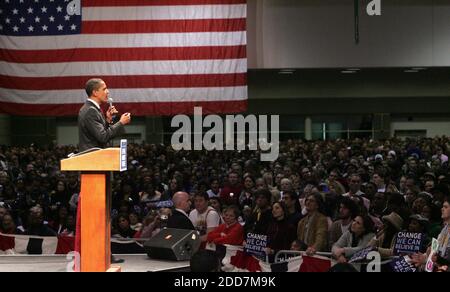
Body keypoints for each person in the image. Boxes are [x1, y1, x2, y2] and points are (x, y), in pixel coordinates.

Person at [78, 78, 131, 152]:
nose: (108, 92)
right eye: (104, 89)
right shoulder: (90, 110)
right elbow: (103, 137)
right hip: (93, 158)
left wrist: (108, 120)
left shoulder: (93, 108)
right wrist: (121, 122)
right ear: (95, 92)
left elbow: (99, 133)